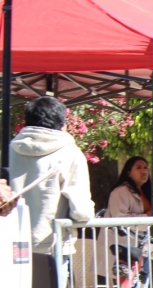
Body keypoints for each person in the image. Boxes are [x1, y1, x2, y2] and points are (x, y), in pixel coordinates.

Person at [9, 96, 94, 255]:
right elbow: (81, 211)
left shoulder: (10, 150)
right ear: (62, 122)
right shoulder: (71, 153)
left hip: (14, 242)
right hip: (53, 245)